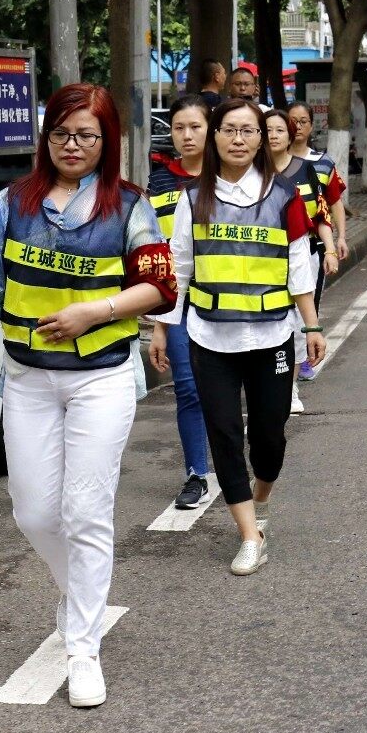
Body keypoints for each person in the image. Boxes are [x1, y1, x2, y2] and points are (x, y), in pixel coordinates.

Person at [0, 83, 174, 709]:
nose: (72, 145)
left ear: (108, 143)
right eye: (61, 133)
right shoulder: (11, 204)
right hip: (27, 378)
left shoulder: (129, 205)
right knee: (33, 512)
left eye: (86, 135)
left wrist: (96, 311)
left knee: (85, 511)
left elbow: (160, 285)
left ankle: (83, 647)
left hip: (101, 378)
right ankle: (81, 593)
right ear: (45, 136)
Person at [152, 99, 327, 576]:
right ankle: (250, 535)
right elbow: (180, 270)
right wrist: (163, 330)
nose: (238, 139)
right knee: (225, 436)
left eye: (248, 130)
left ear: (261, 138)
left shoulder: (285, 195)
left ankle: (261, 499)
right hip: (210, 339)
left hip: (273, 336)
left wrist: (310, 324)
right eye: (228, 129)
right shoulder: (192, 199)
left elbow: (298, 264)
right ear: (216, 137)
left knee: (269, 439)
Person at [147, 94, 213, 510]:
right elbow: (157, 253)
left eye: (196, 127)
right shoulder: (159, 181)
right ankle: (196, 474)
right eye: (179, 128)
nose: (187, 136)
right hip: (178, 303)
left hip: (228, 301)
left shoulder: (230, 176)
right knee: (188, 389)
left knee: (226, 388)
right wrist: (158, 324)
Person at [264, 106, 338, 411]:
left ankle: (290, 389)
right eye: (267, 130)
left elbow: (322, 214)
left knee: (296, 323)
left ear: (290, 133)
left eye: (280, 130)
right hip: (263, 261)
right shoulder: (249, 172)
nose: (273, 136)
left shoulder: (306, 171)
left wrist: (330, 249)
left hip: (302, 255)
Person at [287, 102, 348, 381]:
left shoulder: (323, 164)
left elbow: (333, 203)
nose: (297, 127)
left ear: (311, 126)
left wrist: (339, 239)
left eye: (303, 122)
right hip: (280, 247)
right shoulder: (270, 163)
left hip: (312, 245)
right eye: (292, 121)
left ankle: (304, 357)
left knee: (309, 301)